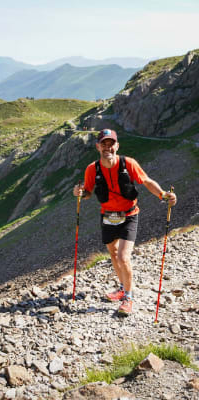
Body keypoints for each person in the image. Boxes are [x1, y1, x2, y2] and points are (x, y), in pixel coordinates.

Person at [73, 128, 177, 315]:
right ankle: (122, 288)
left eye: (111, 144)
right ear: (98, 146)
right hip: (107, 216)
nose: (107, 148)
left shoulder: (128, 163)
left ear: (117, 146)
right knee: (113, 254)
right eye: (103, 144)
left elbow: (146, 181)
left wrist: (163, 195)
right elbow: (87, 192)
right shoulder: (92, 169)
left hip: (129, 215)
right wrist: (79, 193)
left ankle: (128, 298)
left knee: (123, 257)